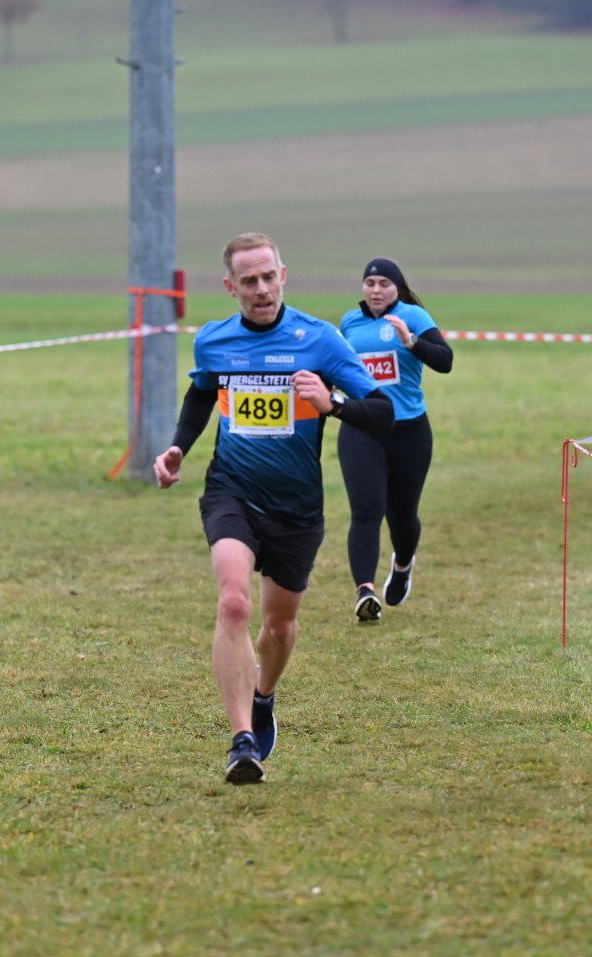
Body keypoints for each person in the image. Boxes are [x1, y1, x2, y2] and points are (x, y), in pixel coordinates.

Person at [153, 233, 393, 784]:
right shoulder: (214, 341)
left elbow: (382, 412)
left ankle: (263, 698)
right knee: (234, 602)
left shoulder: (321, 340)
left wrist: (331, 403)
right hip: (231, 492)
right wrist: (177, 447)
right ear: (230, 286)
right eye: (249, 281)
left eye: (268, 277)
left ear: (282, 275)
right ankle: (242, 741)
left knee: (279, 627)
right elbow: (201, 393)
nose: (261, 289)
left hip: (296, 507)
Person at [336, 258, 453, 622]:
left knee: (402, 517)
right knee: (366, 511)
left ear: (397, 288)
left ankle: (402, 565)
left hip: (408, 431)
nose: (376, 290)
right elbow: (336, 366)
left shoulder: (412, 316)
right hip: (362, 427)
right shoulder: (349, 323)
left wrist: (411, 342)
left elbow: (445, 361)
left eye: (384, 284)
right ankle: (365, 592)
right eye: (370, 283)